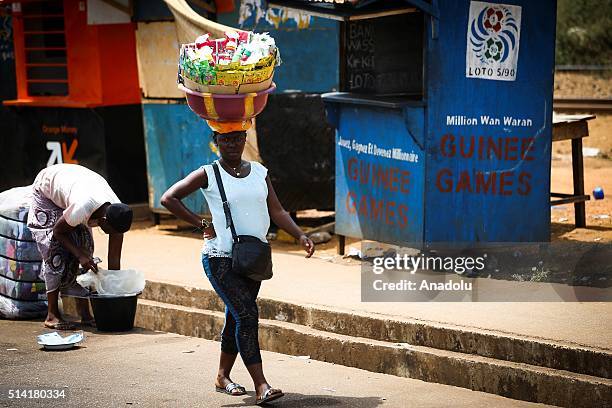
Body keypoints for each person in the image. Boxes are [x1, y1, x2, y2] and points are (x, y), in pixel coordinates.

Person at [161, 119, 315, 405]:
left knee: (236, 316)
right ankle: (262, 385)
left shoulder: (259, 172)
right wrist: (200, 223)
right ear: (215, 141)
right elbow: (169, 198)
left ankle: (222, 375)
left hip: (253, 257)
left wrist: (300, 235)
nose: (231, 144)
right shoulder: (208, 173)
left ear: (245, 139)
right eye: (225, 139)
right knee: (247, 315)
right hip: (220, 257)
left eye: (236, 138)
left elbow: (277, 210)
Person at [27, 164, 133, 330]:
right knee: (54, 253)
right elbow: (58, 232)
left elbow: (114, 259)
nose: (113, 235)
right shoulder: (83, 207)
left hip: (75, 188)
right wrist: (79, 255)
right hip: (47, 191)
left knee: (87, 247)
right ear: (103, 220)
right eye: (111, 232)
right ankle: (52, 314)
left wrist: (113, 294)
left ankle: (84, 314)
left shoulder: (117, 214)